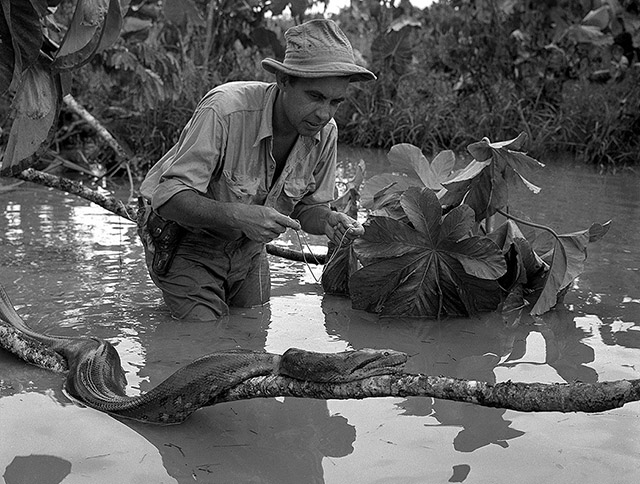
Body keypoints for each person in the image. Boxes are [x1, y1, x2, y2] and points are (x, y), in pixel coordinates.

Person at [137, 19, 376, 321]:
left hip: (248, 248)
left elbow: (306, 210)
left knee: (254, 326)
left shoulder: (326, 132)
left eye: (335, 102)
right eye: (315, 96)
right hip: (184, 238)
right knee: (200, 336)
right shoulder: (224, 109)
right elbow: (168, 198)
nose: (324, 113)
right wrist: (238, 215)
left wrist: (329, 221)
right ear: (283, 81)